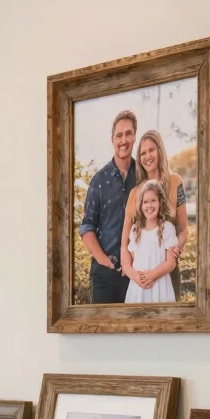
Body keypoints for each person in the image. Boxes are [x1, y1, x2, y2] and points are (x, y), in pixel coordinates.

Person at [121, 129, 188, 299]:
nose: (147, 156)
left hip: (168, 274)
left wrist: (175, 251)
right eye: (143, 153)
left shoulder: (175, 182)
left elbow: (183, 229)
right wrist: (134, 275)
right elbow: (125, 244)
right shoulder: (134, 194)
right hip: (141, 280)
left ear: (160, 151)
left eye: (151, 150)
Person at [79, 110, 137, 304]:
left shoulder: (143, 176)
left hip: (137, 274)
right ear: (112, 140)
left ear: (134, 137)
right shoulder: (99, 180)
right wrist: (106, 262)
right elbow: (87, 227)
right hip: (105, 276)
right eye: (119, 135)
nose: (124, 140)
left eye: (128, 134)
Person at [123, 181, 178, 304]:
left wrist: (152, 275)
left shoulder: (167, 228)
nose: (149, 205)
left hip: (160, 285)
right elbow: (131, 262)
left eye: (153, 200)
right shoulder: (135, 230)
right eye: (145, 202)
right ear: (141, 205)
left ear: (160, 203)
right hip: (138, 288)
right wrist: (138, 278)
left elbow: (171, 263)